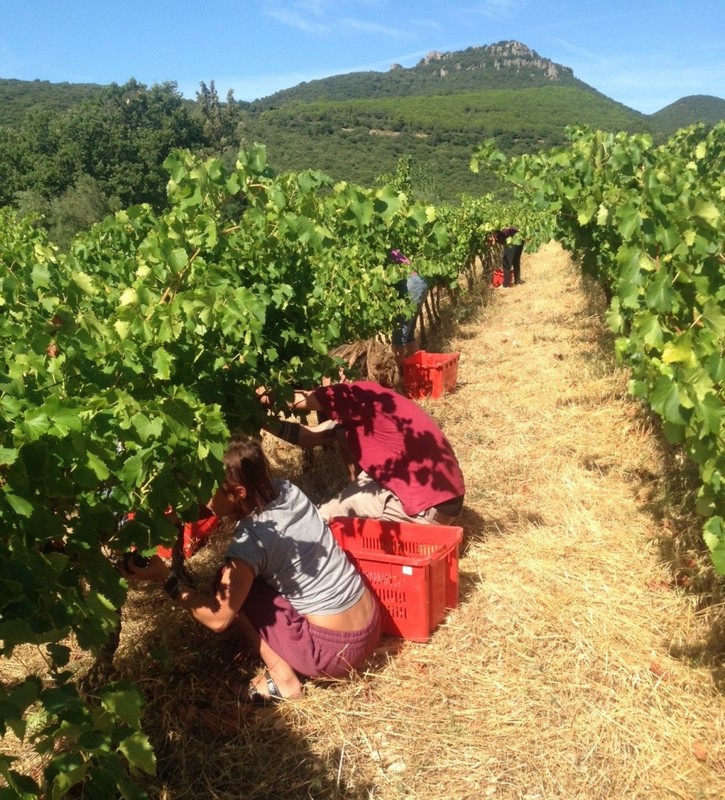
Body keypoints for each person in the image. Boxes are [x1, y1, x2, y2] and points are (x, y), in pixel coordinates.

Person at [120, 436, 381, 703]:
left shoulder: (251, 540)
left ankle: (284, 681)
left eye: (208, 489)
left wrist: (165, 578)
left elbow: (219, 619)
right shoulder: (287, 491)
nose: (203, 498)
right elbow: (219, 506)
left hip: (333, 655)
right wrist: (169, 518)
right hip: (371, 626)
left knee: (229, 586)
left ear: (238, 492)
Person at [263, 380, 465, 527]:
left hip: (427, 509)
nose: (321, 383)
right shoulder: (377, 402)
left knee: (321, 522)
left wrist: (259, 396)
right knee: (344, 437)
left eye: (327, 375)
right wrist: (260, 420)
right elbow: (309, 437)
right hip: (447, 503)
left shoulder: (357, 393)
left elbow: (300, 400)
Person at [388, 249, 429, 362]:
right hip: (420, 283)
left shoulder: (379, 252)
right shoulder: (392, 250)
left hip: (411, 285)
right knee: (409, 333)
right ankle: (418, 367)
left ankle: (394, 375)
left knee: (400, 334)